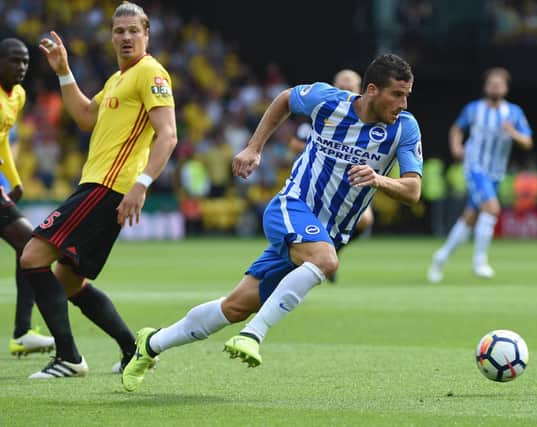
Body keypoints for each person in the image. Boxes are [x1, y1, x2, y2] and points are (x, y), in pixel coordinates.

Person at [122, 53, 423, 392]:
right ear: (371, 90)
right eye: (397, 94)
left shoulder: (404, 128)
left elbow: (413, 190)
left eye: (407, 94)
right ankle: (253, 335)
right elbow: (284, 100)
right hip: (291, 206)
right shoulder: (328, 101)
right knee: (325, 261)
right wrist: (254, 148)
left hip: (326, 234)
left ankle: (150, 344)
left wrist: (379, 180)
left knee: (234, 306)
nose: (404, 102)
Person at [19, 1, 177, 379]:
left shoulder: (151, 73)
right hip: (98, 184)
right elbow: (88, 117)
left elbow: (168, 136)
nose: (125, 37)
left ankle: (69, 357)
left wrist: (141, 184)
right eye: (118, 31)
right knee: (69, 279)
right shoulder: (117, 79)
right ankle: (133, 348)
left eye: (132, 31)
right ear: (111, 36)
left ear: (146, 35)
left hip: (108, 186)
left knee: (32, 256)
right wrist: (64, 72)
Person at [428, 67, 532, 283]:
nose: (495, 87)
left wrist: (513, 133)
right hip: (475, 166)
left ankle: (441, 256)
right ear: (486, 87)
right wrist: (456, 146)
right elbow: (456, 129)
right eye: (491, 83)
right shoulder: (474, 109)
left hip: (496, 172)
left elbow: (528, 142)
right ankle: (480, 260)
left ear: (505, 88)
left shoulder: (514, 112)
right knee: (492, 208)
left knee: (471, 217)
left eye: (499, 84)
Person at [289, 69, 375, 283]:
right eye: (342, 88)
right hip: (317, 179)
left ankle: (332, 251)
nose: (346, 92)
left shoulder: (367, 121)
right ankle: (310, 257)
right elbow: (295, 142)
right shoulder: (322, 113)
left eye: (351, 88)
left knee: (366, 220)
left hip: (351, 182)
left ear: (361, 90)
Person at [0, 38, 55, 357]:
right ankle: (22, 331)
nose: (21, 67)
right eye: (13, 60)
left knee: (29, 246)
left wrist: (15, 181)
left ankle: (22, 331)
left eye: (25, 62)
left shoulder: (17, 96)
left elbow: (3, 139)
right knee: (30, 245)